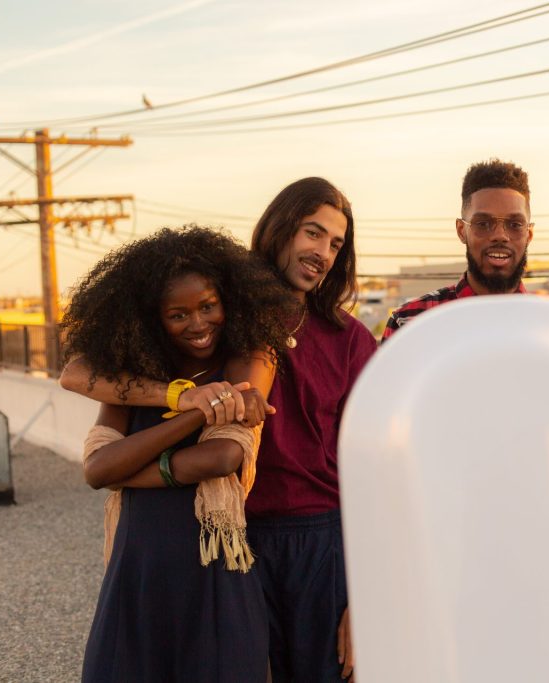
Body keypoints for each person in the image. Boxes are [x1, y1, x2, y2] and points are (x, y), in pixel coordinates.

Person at [60, 177, 378, 682]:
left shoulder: (350, 339)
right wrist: (181, 397)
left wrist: (367, 596)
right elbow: (77, 370)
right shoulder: (220, 313)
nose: (323, 252)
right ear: (280, 228)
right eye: (312, 233)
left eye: (336, 244)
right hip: (234, 535)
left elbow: (371, 468)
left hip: (320, 542)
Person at [64, 226, 296, 682]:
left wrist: (128, 467)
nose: (198, 323)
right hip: (138, 571)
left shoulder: (243, 362)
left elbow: (222, 458)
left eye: (208, 306)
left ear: (228, 300)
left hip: (214, 572)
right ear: (153, 319)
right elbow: (96, 469)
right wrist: (192, 405)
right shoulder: (134, 382)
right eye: (178, 314)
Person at [382, 158, 533, 340]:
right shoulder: (410, 324)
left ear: (529, 234)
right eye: (483, 223)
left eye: (515, 224)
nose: (500, 235)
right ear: (462, 230)